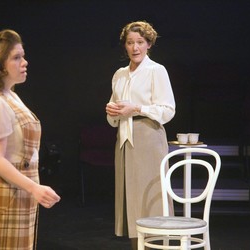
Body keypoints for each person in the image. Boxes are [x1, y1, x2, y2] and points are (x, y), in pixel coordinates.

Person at [0, 29, 61, 250]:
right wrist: (34, 188)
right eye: (16, 57)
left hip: (18, 189)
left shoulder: (11, 96)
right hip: (3, 191)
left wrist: (31, 188)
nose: (24, 62)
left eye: (23, 56)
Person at [105, 21, 175, 249]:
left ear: (148, 44)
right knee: (131, 200)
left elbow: (167, 110)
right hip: (125, 138)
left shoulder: (156, 71)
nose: (135, 47)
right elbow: (114, 116)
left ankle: (157, 246)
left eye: (140, 42)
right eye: (130, 42)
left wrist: (136, 108)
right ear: (125, 46)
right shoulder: (119, 74)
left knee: (150, 197)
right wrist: (113, 112)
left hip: (148, 136)